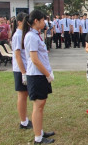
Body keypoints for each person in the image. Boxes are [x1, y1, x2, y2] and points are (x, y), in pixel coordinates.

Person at [22, 10, 55, 144]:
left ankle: (40, 132)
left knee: (41, 104)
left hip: (40, 74)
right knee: (38, 105)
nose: (44, 22)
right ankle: (38, 138)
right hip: (36, 75)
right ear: (36, 21)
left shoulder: (36, 35)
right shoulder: (31, 36)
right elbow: (34, 59)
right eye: (42, 20)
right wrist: (47, 74)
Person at [11, 12, 33, 131]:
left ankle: (24, 119)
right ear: (19, 22)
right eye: (26, 21)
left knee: (25, 94)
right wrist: (23, 72)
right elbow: (18, 56)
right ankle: (23, 121)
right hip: (20, 69)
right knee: (22, 95)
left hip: (25, 68)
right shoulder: (18, 35)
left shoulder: (23, 34)